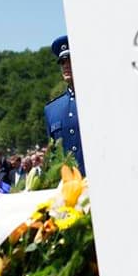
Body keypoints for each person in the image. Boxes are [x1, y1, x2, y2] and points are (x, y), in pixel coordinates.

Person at [44, 35, 86, 175]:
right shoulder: (51, 110)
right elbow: (54, 156)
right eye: (62, 62)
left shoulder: (95, 100)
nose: (66, 65)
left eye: (70, 59)